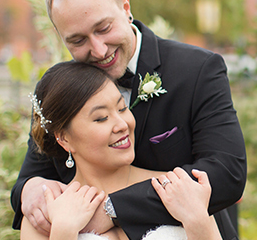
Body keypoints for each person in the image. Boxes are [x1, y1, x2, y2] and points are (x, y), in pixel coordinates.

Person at [11, 0, 246, 240]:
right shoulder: (59, 90)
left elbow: (226, 173)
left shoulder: (197, 70)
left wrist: (113, 208)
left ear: (125, 6)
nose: (98, 50)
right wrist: (30, 189)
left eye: (103, 28)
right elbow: (31, 177)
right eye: (77, 40)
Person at [20, 61, 222, 240]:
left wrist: (198, 221)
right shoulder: (47, 213)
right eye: (101, 118)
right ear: (64, 138)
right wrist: (63, 232)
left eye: (122, 108)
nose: (122, 125)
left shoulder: (178, 189)